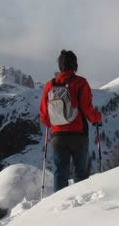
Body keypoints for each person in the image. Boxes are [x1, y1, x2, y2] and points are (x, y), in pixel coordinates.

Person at [39, 50, 102, 191]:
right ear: (75, 65)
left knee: (60, 174)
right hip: (78, 134)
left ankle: (59, 206)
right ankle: (79, 204)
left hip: (58, 136)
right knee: (80, 173)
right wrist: (97, 118)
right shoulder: (81, 83)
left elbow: (44, 114)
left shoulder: (50, 85)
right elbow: (87, 109)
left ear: (59, 65)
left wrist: (55, 125)